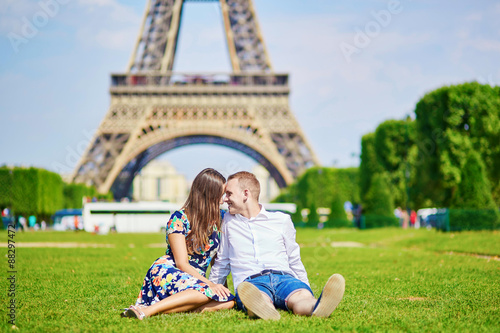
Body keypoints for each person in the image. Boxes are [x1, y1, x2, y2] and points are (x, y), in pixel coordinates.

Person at [209, 171, 345, 320]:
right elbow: (222, 261)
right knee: (258, 297)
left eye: (229, 194)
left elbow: (294, 258)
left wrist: (305, 286)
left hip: (284, 277)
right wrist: (211, 290)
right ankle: (264, 308)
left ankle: (315, 306)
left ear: (245, 193)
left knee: (301, 297)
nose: (225, 199)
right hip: (251, 282)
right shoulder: (227, 221)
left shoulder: (281, 220)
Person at [121, 168, 235, 320]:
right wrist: (210, 285)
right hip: (171, 271)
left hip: (196, 280)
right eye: (222, 194)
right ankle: (147, 311)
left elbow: (217, 260)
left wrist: (221, 287)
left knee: (228, 302)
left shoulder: (220, 217)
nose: (225, 199)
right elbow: (182, 264)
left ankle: (155, 309)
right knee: (207, 292)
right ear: (210, 194)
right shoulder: (179, 219)